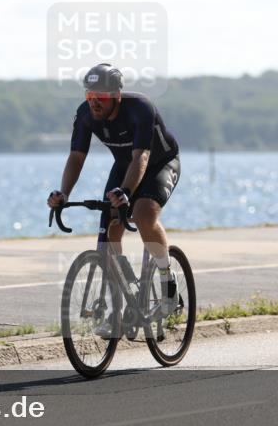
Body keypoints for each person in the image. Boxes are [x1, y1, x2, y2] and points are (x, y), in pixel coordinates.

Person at [47, 63, 181, 335]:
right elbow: (76, 157)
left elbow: (142, 157)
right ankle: (120, 310)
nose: (95, 102)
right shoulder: (86, 114)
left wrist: (127, 193)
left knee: (143, 214)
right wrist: (63, 194)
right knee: (108, 231)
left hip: (158, 163)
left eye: (102, 96)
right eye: (90, 95)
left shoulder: (141, 107)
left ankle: (169, 287)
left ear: (117, 95)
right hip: (124, 165)